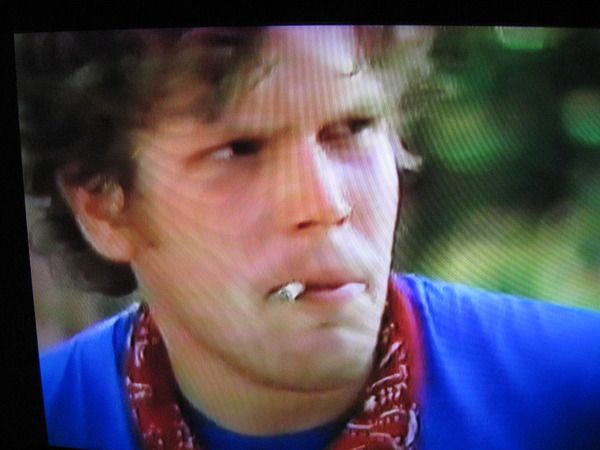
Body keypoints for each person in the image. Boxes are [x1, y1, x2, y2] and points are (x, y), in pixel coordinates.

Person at [16, 26, 600, 450]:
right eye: (240, 149)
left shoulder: (573, 393)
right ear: (103, 207)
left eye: (353, 127)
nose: (324, 204)